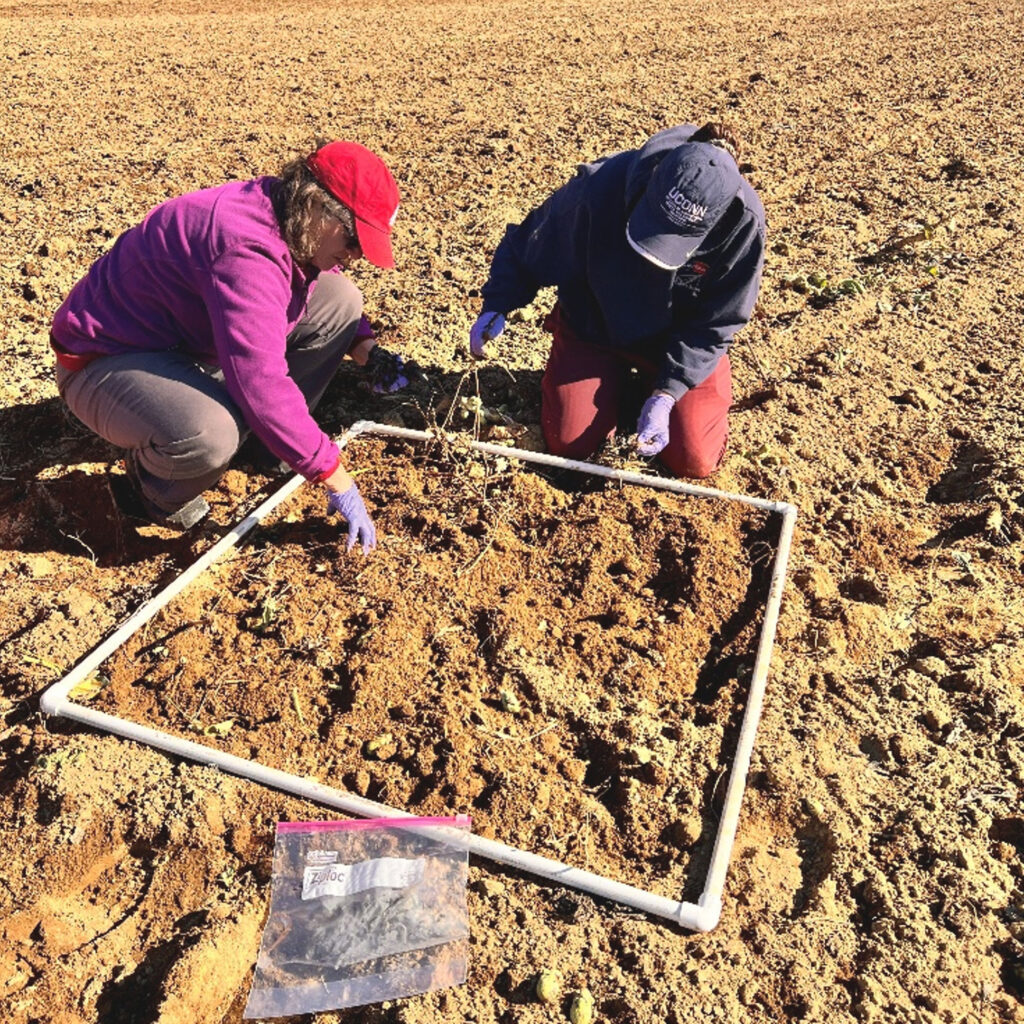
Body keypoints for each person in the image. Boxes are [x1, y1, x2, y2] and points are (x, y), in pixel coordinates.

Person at [50, 140, 411, 551]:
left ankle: (267, 443)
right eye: (353, 239)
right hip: (106, 359)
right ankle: (150, 488)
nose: (357, 255)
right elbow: (260, 381)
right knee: (210, 433)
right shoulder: (245, 248)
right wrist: (334, 475)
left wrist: (365, 346)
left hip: (183, 341)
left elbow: (303, 295)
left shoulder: (286, 214)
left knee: (341, 301)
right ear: (317, 206)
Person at [469, 123, 765, 479]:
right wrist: (498, 303)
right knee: (572, 445)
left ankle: (650, 390)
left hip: (674, 341)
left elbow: (717, 323)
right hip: (596, 322)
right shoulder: (600, 187)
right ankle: (609, 385)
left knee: (694, 460)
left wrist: (669, 392)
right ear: (652, 182)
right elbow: (531, 242)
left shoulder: (743, 225)